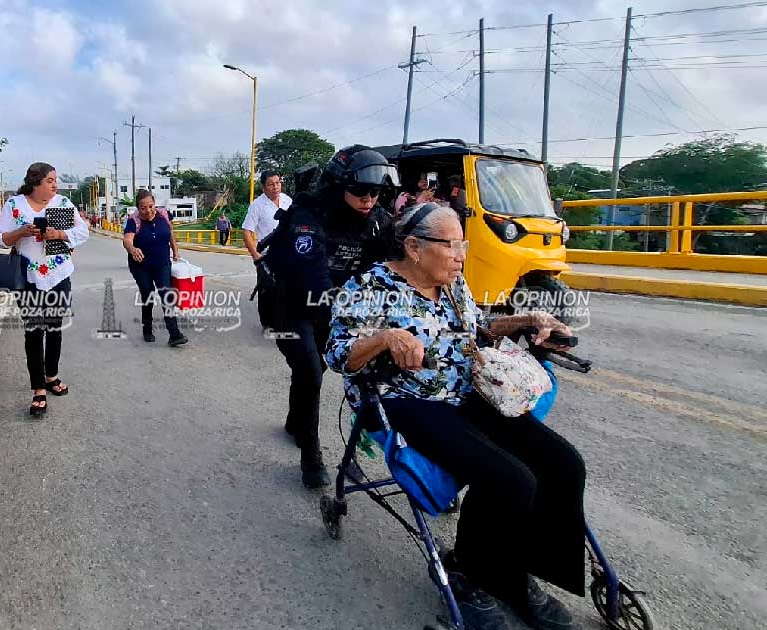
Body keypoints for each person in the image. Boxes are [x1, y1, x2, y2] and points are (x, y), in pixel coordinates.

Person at [325, 202, 584, 630]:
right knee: (510, 477)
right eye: (453, 245)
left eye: (463, 244)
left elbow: (477, 328)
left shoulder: (451, 283)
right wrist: (386, 337)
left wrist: (529, 320)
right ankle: (470, 573)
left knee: (564, 464)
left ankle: (516, 571)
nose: (462, 254)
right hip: (405, 400)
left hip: (466, 391)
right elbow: (336, 355)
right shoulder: (368, 287)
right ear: (413, 246)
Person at [258, 145, 398, 488]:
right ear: (339, 185)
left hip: (331, 304)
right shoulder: (309, 214)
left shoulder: (378, 221)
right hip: (289, 302)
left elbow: (396, 268)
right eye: (360, 190)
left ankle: (295, 421)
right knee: (310, 368)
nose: (369, 198)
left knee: (314, 368)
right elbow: (313, 277)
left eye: (376, 191)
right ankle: (311, 455)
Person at [0, 162, 90, 417]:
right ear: (35, 182)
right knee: (34, 331)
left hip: (59, 274)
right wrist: (21, 232)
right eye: (50, 180)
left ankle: (52, 376)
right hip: (27, 277)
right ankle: (38, 389)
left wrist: (58, 234)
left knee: (55, 327)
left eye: (55, 180)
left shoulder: (63, 204)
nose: (54, 185)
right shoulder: (14, 205)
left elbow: (83, 232)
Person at [124, 190, 188, 347]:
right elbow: (127, 239)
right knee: (148, 295)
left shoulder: (163, 215)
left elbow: (170, 233)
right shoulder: (134, 220)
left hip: (162, 264)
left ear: (154, 203)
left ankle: (174, 334)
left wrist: (175, 251)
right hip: (141, 266)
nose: (148, 211)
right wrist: (133, 250)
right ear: (138, 207)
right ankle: (147, 328)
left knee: (167, 294)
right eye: (143, 208)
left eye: (151, 206)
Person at [242, 170, 291, 261]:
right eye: (271, 184)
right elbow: (247, 231)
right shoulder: (257, 205)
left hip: (289, 253)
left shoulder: (287, 200)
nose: (275, 187)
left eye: (278, 183)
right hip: (268, 255)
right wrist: (255, 255)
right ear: (263, 187)